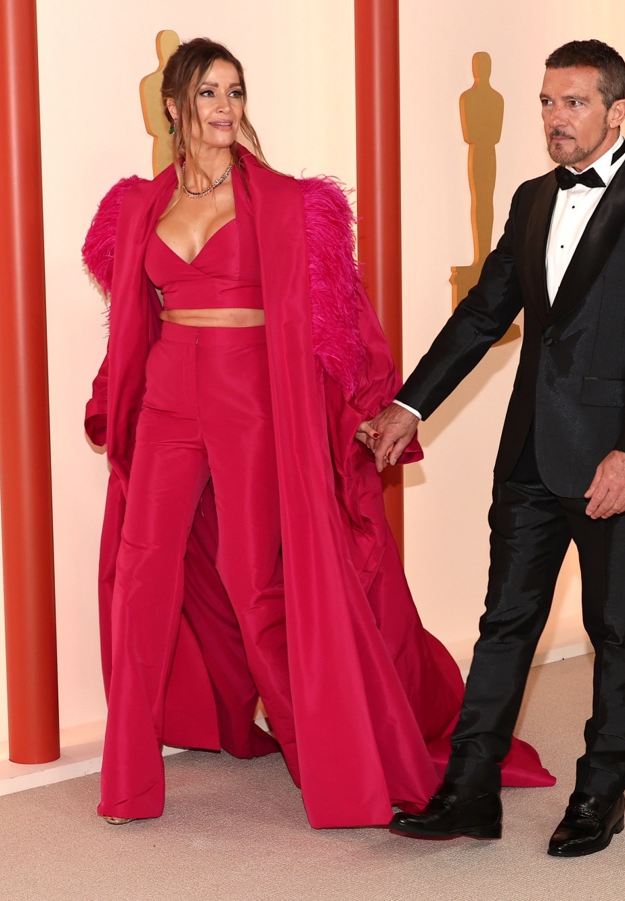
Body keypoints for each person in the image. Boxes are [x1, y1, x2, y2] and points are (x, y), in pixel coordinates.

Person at [81, 37, 553, 829]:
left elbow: (341, 320)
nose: (225, 108)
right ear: (173, 106)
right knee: (140, 580)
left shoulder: (291, 203)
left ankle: (330, 755)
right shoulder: (137, 206)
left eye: (235, 92)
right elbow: (130, 318)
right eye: (208, 94)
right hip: (168, 401)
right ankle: (127, 782)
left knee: (255, 582)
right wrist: (112, 394)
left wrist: (374, 403)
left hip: (250, 403)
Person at [373, 40, 625, 856]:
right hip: (528, 452)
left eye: (576, 103)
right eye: (549, 103)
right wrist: (411, 402)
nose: (557, 119)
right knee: (505, 624)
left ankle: (601, 793)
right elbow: (485, 312)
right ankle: (469, 789)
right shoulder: (530, 199)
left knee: (616, 629)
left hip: (614, 464)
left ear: (617, 110)